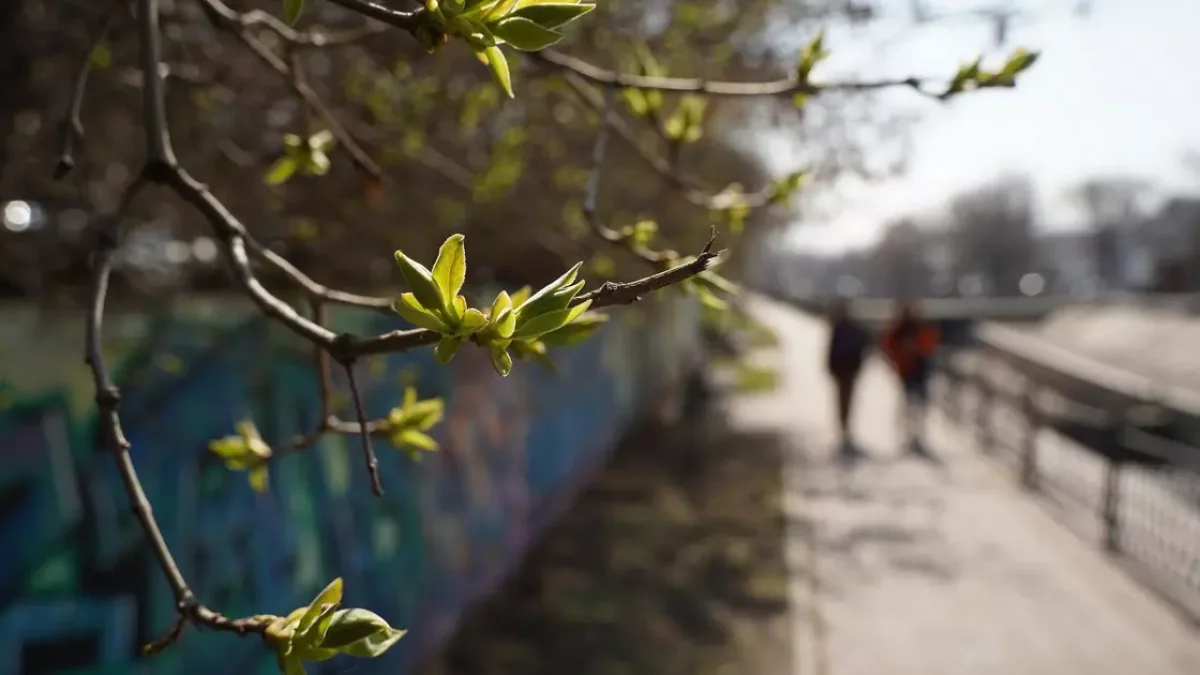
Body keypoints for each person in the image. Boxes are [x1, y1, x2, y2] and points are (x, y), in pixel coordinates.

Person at [880, 300, 940, 453]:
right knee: (909, 403)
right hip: (908, 370)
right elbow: (888, 344)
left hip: (920, 369)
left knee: (919, 404)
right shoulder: (900, 328)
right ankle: (909, 434)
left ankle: (917, 434)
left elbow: (930, 344)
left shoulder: (921, 327)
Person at [825, 298, 869, 453]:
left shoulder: (847, 328)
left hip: (848, 370)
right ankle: (844, 428)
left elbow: (862, 345)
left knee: (846, 401)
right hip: (843, 371)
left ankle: (846, 428)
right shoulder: (840, 328)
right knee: (843, 401)